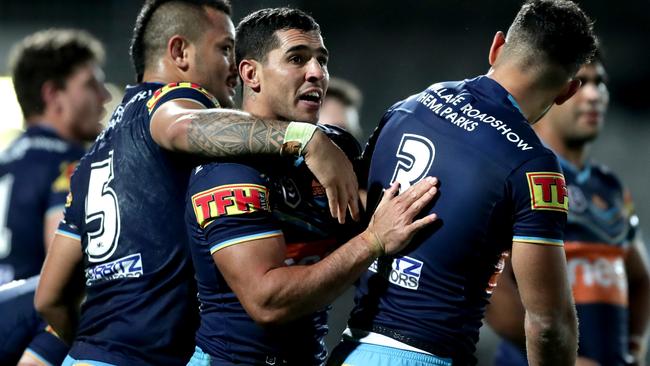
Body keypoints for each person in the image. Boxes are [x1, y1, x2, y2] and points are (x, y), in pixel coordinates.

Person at [34, 1, 361, 365]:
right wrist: (304, 138)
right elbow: (182, 126)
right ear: (180, 52)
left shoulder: (95, 154)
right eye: (224, 49)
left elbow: (49, 297)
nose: (233, 68)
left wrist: (98, 350)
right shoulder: (175, 98)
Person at [328, 1, 598, 365]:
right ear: (568, 92)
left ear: (497, 46)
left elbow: (351, 206)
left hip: (349, 352)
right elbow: (549, 323)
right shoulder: (534, 166)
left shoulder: (408, 106)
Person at [184, 8, 439, 366]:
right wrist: (373, 241)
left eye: (322, 60)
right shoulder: (228, 170)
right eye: (297, 58)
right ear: (251, 73)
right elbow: (267, 303)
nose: (317, 73)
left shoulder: (337, 149)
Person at [487, 51, 650, 366]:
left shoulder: (610, 187)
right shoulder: (518, 171)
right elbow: (492, 289)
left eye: (600, 82)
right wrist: (563, 358)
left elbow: (641, 278)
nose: (593, 94)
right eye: (580, 83)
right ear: (554, 94)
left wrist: (634, 345)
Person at [0, 29, 109, 366]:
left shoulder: (6, 159)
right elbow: (66, 265)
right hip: (20, 322)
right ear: (53, 94)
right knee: (90, 288)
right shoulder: (70, 164)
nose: (104, 96)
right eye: (91, 84)